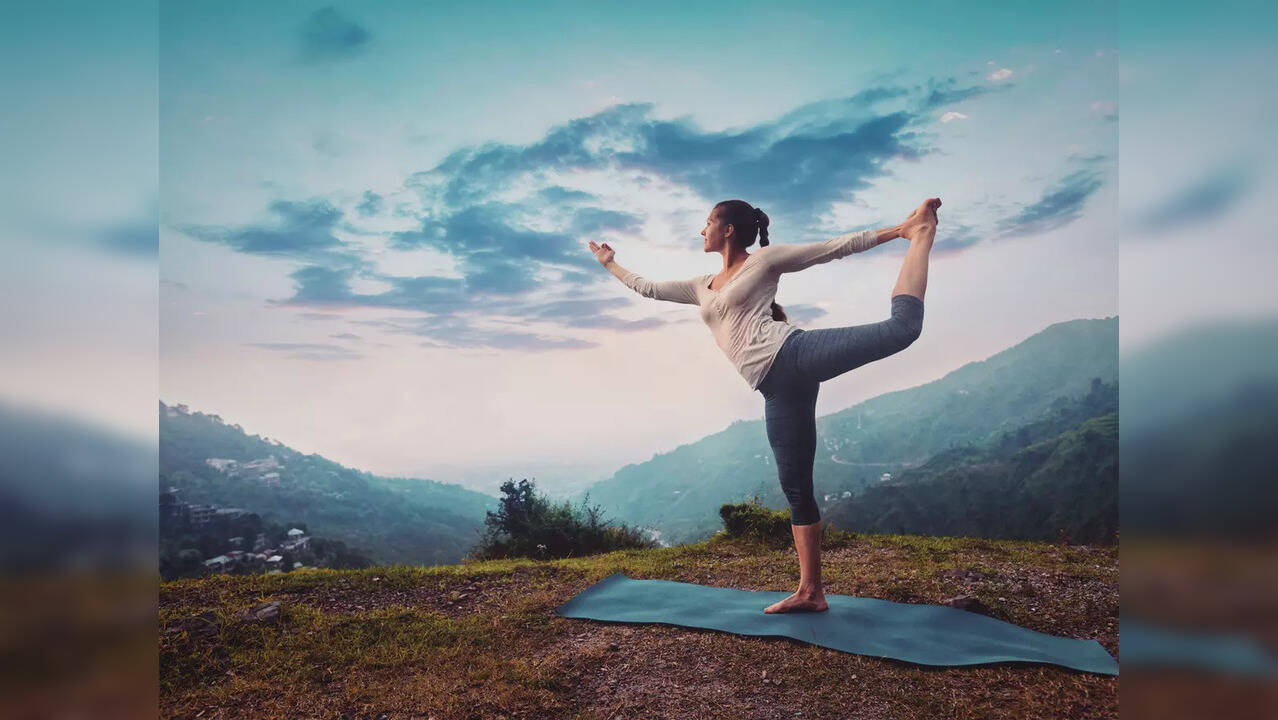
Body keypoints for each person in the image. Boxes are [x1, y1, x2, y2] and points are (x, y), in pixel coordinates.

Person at [589, 197, 940, 613]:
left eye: (707, 223)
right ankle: (811, 592)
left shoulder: (765, 262)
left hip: (793, 354)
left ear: (728, 229)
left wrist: (898, 231)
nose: (702, 231)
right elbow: (647, 288)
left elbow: (833, 247)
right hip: (776, 388)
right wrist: (610, 263)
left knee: (901, 329)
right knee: (795, 487)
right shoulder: (701, 285)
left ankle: (920, 235)